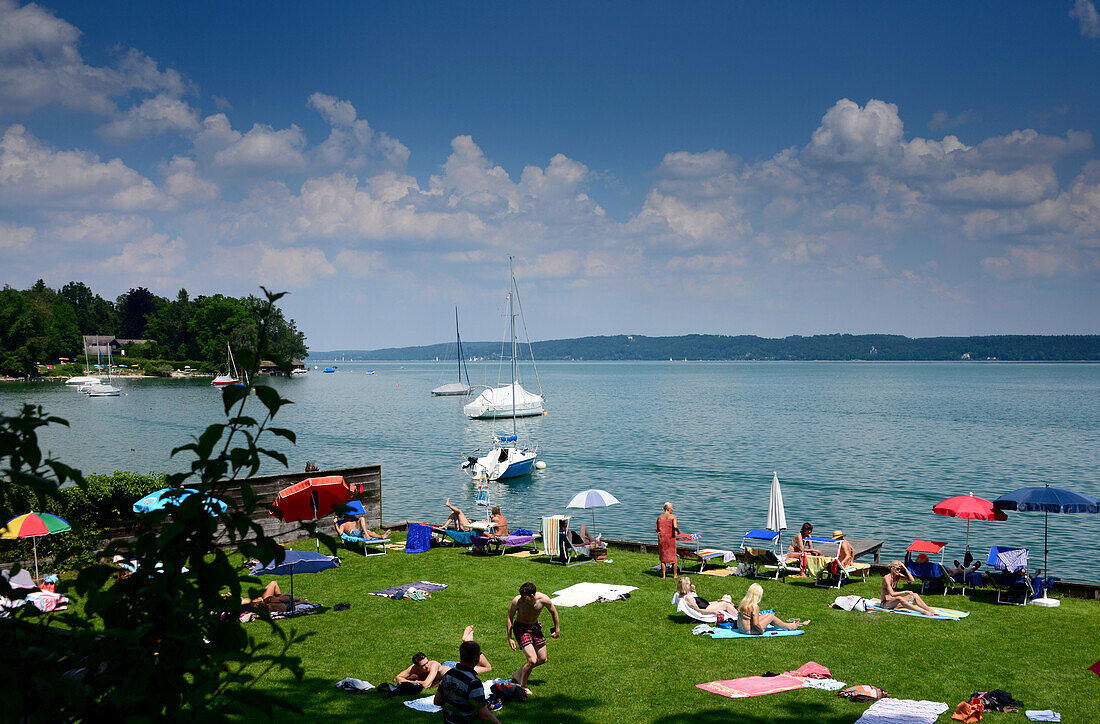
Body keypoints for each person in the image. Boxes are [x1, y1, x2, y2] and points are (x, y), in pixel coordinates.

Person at [395, 626, 492, 691]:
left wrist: (416, 682)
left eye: (427, 663)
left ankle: (468, 642)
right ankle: (467, 642)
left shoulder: (433, 665)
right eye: (423, 665)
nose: (426, 666)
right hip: (448, 668)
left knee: (487, 668)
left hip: (455, 669)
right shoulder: (413, 668)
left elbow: (426, 685)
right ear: (417, 666)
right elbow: (397, 678)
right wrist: (413, 682)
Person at [506, 581, 560, 691]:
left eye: (524, 597)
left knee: (542, 659)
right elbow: (509, 617)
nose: (521, 598)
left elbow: (554, 612)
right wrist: (510, 637)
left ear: (532, 595)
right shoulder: (517, 601)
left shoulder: (544, 599)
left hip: (534, 627)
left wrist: (557, 629)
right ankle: (523, 685)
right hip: (521, 629)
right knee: (532, 660)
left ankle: (518, 674)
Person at [434, 639, 502, 724]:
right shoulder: (473, 683)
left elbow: (437, 700)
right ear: (477, 659)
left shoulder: (449, 674)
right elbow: (484, 714)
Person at [736, 582, 809, 634]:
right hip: (750, 631)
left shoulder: (743, 602)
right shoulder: (754, 606)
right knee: (771, 616)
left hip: (741, 629)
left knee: (768, 614)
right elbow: (755, 624)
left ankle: (787, 625)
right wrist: (761, 630)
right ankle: (790, 626)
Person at [242, 581, 306, 613]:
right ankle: (288, 601)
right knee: (273, 584)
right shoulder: (242, 605)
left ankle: (291, 601)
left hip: (263, 600)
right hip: (265, 601)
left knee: (273, 583)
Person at [655, 502, 680, 579]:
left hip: (662, 538)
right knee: (673, 557)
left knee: (663, 558)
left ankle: (663, 575)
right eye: (672, 508)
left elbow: (656, 529)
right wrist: (678, 532)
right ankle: (675, 574)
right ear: (668, 509)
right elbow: (675, 526)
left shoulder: (659, 517)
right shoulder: (673, 516)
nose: (672, 509)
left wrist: (661, 533)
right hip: (670, 538)